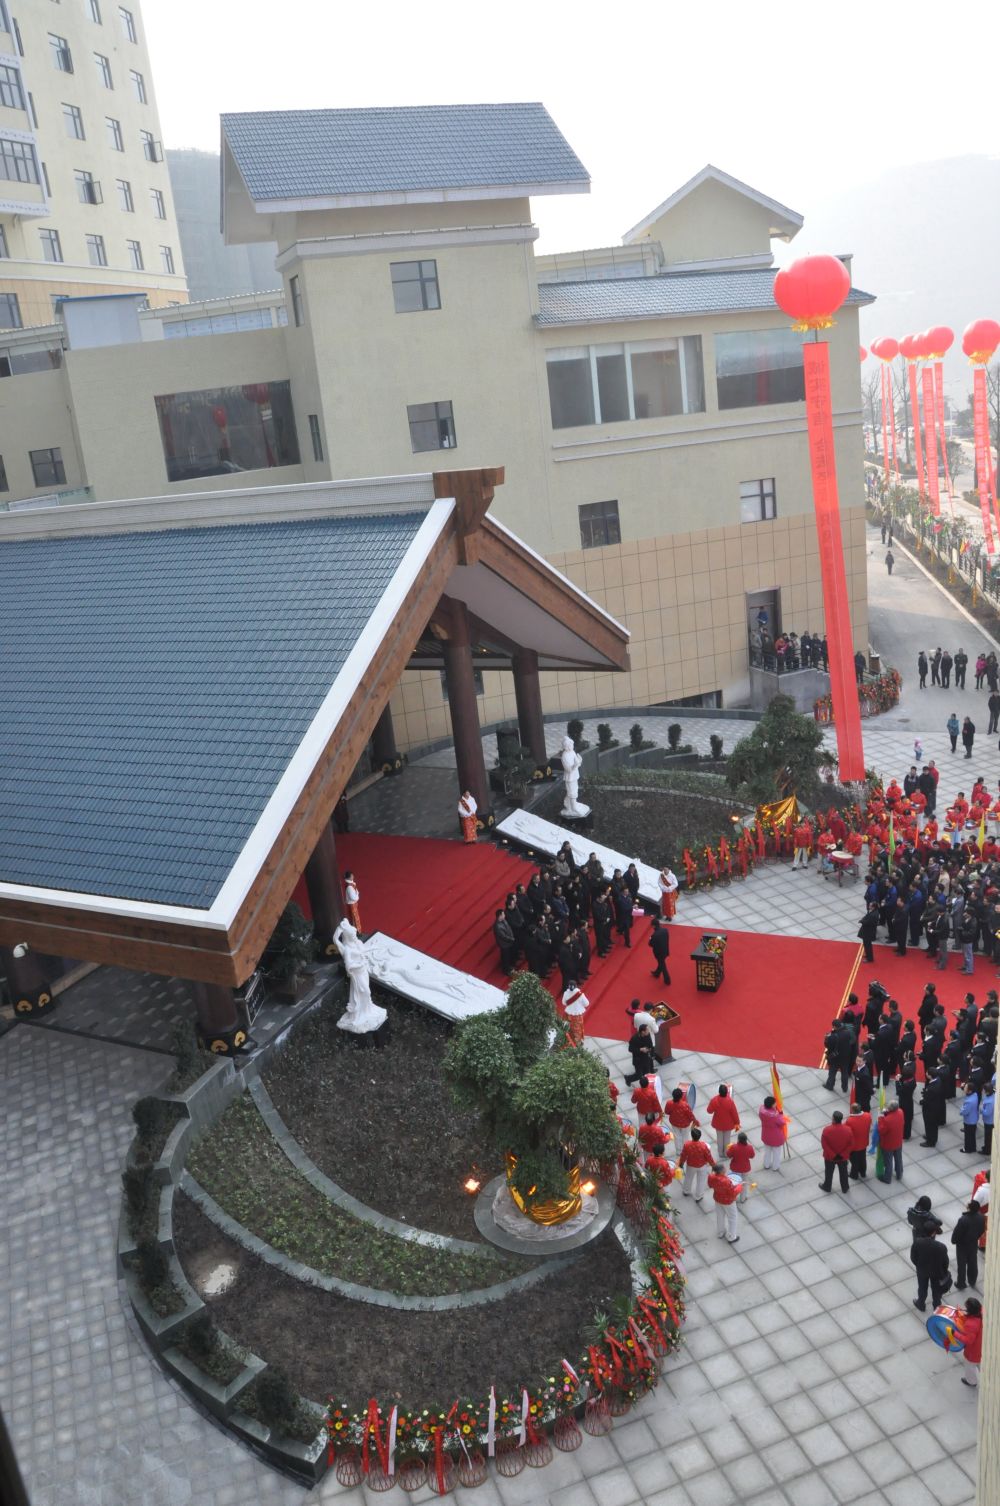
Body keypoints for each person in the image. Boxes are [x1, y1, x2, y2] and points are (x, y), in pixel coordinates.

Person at [910, 1222, 952, 1312]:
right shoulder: (941, 1247)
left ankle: (921, 1303)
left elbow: (913, 1257)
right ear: (933, 1233)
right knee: (936, 1291)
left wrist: (919, 1265)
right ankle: (936, 1307)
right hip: (937, 1272)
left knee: (922, 1287)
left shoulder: (918, 1242)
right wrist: (943, 1271)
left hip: (922, 1270)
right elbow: (945, 1262)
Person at [952, 1201, 987, 1290]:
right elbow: (982, 1230)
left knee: (962, 1264)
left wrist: (954, 1241)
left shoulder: (963, 1220)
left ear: (969, 1208)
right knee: (972, 1262)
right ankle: (972, 1280)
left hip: (962, 1245)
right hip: (973, 1243)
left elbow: (957, 1233)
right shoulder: (981, 1217)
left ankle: (961, 1283)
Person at [706, 1162, 741, 1243]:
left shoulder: (711, 1176)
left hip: (718, 1198)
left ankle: (720, 1232)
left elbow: (710, 1185)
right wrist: (740, 1187)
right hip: (728, 1201)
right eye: (724, 1168)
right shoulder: (726, 1181)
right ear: (721, 1171)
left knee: (720, 1216)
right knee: (732, 1218)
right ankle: (731, 1237)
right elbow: (732, 1192)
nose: (726, 1169)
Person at [819, 1110, 852, 1193]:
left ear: (833, 1119)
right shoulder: (848, 1130)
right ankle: (845, 1188)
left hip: (830, 1157)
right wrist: (842, 1154)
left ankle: (827, 1186)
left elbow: (824, 1144)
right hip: (842, 1157)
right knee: (843, 1172)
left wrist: (833, 1155)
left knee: (829, 1172)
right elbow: (851, 1144)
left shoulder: (827, 1130)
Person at [679, 1127, 713, 1202]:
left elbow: (683, 1155)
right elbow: (709, 1157)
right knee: (701, 1181)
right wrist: (713, 1165)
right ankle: (698, 1196)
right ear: (699, 1136)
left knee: (688, 1178)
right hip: (702, 1165)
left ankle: (686, 1191)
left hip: (691, 1165)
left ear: (691, 1136)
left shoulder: (687, 1145)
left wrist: (681, 1163)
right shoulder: (704, 1146)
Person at [707, 1084, 740, 1158]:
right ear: (727, 1092)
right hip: (728, 1123)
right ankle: (726, 1153)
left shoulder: (714, 1100)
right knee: (727, 1139)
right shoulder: (730, 1101)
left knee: (719, 1138)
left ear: (719, 1092)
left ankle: (720, 1153)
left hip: (718, 1123)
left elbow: (709, 1111)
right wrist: (737, 1122)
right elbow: (734, 1113)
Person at [877, 1100, 905, 1183]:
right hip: (898, 1141)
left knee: (888, 1162)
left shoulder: (887, 1120)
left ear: (891, 1109)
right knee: (898, 1159)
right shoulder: (900, 1112)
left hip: (888, 1144)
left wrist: (881, 1117)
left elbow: (881, 1130)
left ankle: (887, 1178)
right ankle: (899, 1174)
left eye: (888, 1106)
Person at [759, 1096, 786, 1170]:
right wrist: (780, 1114)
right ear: (771, 1105)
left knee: (767, 1152)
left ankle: (766, 1164)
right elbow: (782, 1122)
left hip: (766, 1135)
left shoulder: (761, 1110)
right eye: (774, 1103)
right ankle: (775, 1167)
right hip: (776, 1137)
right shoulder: (775, 1115)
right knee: (776, 1153)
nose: (776, 1104)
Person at [961, 1298, 984, 1387]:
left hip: (973, 1351)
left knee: (970, 1366)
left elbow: (968, 1340)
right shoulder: (981, 1312)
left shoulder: (971, 1324)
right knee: (980, 1363)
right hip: (981, 1346)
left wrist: (954, 1333)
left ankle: (971, 1381)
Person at [725, 1132, 755, 1200]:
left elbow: (728, 1155)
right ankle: (743, 1198)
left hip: (735, 1168)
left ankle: (734, 1198)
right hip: (745, 1168)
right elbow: (752, 1156)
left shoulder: (734, 1147)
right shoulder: (749, 1147)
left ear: (738, 1139)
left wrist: (728, 1149)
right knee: (744, 1184)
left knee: (735, 1184)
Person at [561, 980, 589, 1047]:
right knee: (577, 1029)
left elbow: (563, 1003)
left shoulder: (566, 993)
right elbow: (587, 1004)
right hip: (577, 1015)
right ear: (576, 986)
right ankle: (577, 1043)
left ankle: (569, 1041)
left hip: (568, 1014)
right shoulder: (580, 994)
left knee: (569, 1027)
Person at [847, 1103, 871, 1181]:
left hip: (855, 1145)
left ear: (853, 1110)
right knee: (863, 1158)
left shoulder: (850, 1120)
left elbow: (847, 1131)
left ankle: (854, 1175)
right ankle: (863, 1172)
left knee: (854, 1161)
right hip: (864, 1142)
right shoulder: (867, 1116)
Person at [493, 909, 517, 975]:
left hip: (509, 942)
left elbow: (508, 928)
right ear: (500, 916)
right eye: (503, 914)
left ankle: (509, 966)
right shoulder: (497, 926)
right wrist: (511, 939)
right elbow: (503, 936)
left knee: (508, 956)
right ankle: (506, 970)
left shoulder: (503, 920)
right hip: (504, 944)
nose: (504, 915)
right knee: (505, 957)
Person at [648, 918, 671, 983]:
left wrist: (650, 938)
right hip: (665, 950)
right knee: (661, 963)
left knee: (663, 966)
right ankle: (657, 973)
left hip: (659, 953)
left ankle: (667, 980)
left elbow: (650, 944)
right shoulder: (665, 930)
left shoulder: (654, 935)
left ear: (654, 926)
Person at [982, 1080, 995, 1155]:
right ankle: (986, 1147)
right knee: (987, 1136)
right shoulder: (991, 1096)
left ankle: (987, 1150)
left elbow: (987, 1113)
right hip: (988, 1120)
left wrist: (981, 1110)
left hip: (989, 1121)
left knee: (988, 1137)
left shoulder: (990, 1101)